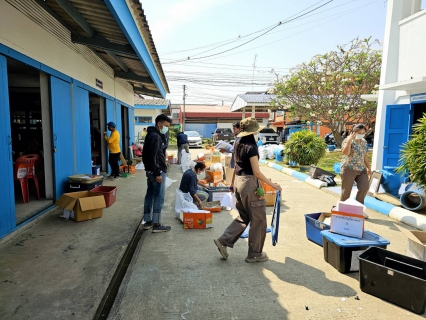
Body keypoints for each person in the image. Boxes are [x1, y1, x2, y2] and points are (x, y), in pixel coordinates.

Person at [214, 117, 282, 263]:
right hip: (249, 184)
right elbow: (256, 172)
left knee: (244, 217)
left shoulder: (238, 143)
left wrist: (232, 184)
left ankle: (223, 240)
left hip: (239, 181)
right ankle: (255, 254)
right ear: (254, 132)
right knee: (259, 220)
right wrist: (273, 184)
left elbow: (236, 166)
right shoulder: (251, 147)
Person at [142, 114, 172, 233]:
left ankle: (147, 220)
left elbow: (147, 155)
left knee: (150, 194)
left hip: (150, 171)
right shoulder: (156, 137)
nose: (166, 128)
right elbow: (153, 156)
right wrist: (157, 173)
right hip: (156, 171)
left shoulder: (151, 134)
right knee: (159, 197)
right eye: (166, 126)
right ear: (159, 124)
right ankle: (157, 224)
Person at [340, 123, 372, 204]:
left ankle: (358, 209)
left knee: (364, 188)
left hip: (361, 169)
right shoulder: (347, 141)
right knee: (346, 191)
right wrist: (349, 140)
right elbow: (346, 153)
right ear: (353, 132)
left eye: (363, 133)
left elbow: (364, 155)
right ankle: (343, 211)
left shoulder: (364, 142)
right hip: (349, 168)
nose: (361, 135)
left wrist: (368, 168)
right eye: (359, 133)